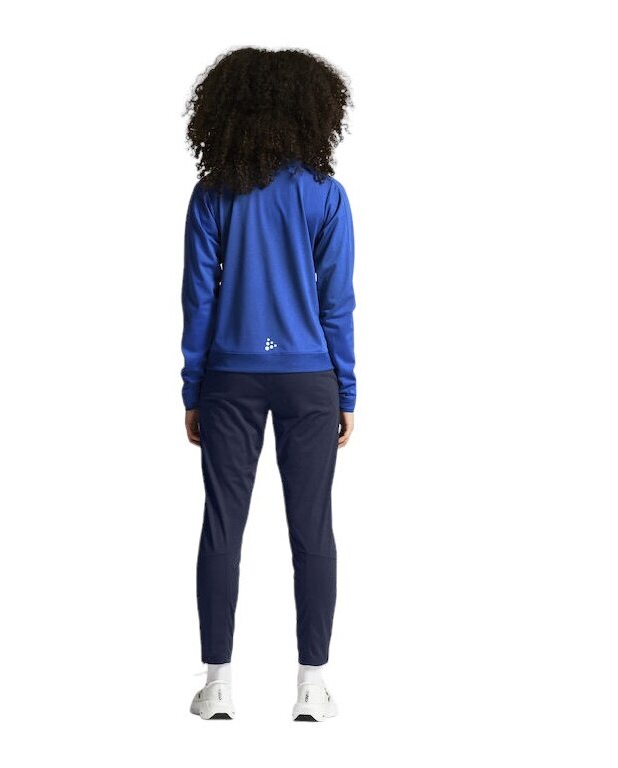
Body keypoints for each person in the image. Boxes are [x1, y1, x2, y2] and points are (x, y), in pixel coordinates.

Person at [180, 46, 356, 721]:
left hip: (229, 376)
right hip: (309, 377)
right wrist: (346, 391)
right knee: (312, 529)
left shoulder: (212, 194)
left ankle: (217, 685)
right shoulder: (326, 195)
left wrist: (193, 387)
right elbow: (337, 302)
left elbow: (198, 299)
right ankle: (311, 686)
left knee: (222, 526)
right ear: (314, 112)